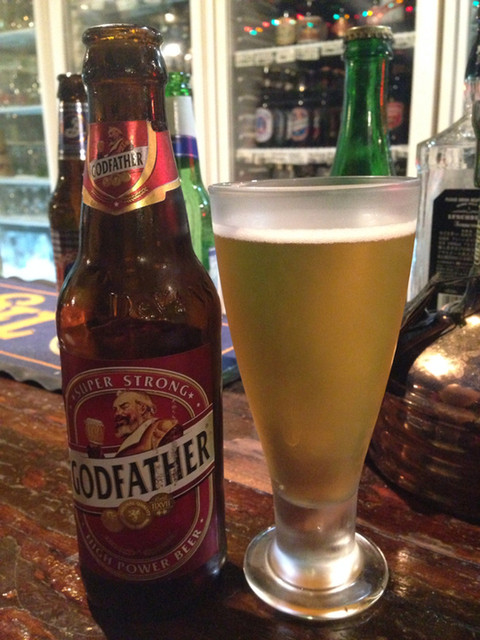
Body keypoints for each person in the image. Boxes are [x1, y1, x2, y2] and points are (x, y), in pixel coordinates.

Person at [113, 390, 182, 457]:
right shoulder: (130, 440)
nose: (117, 413)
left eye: (124, 407)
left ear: (142, 409)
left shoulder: (163, 427)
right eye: (115, 410)